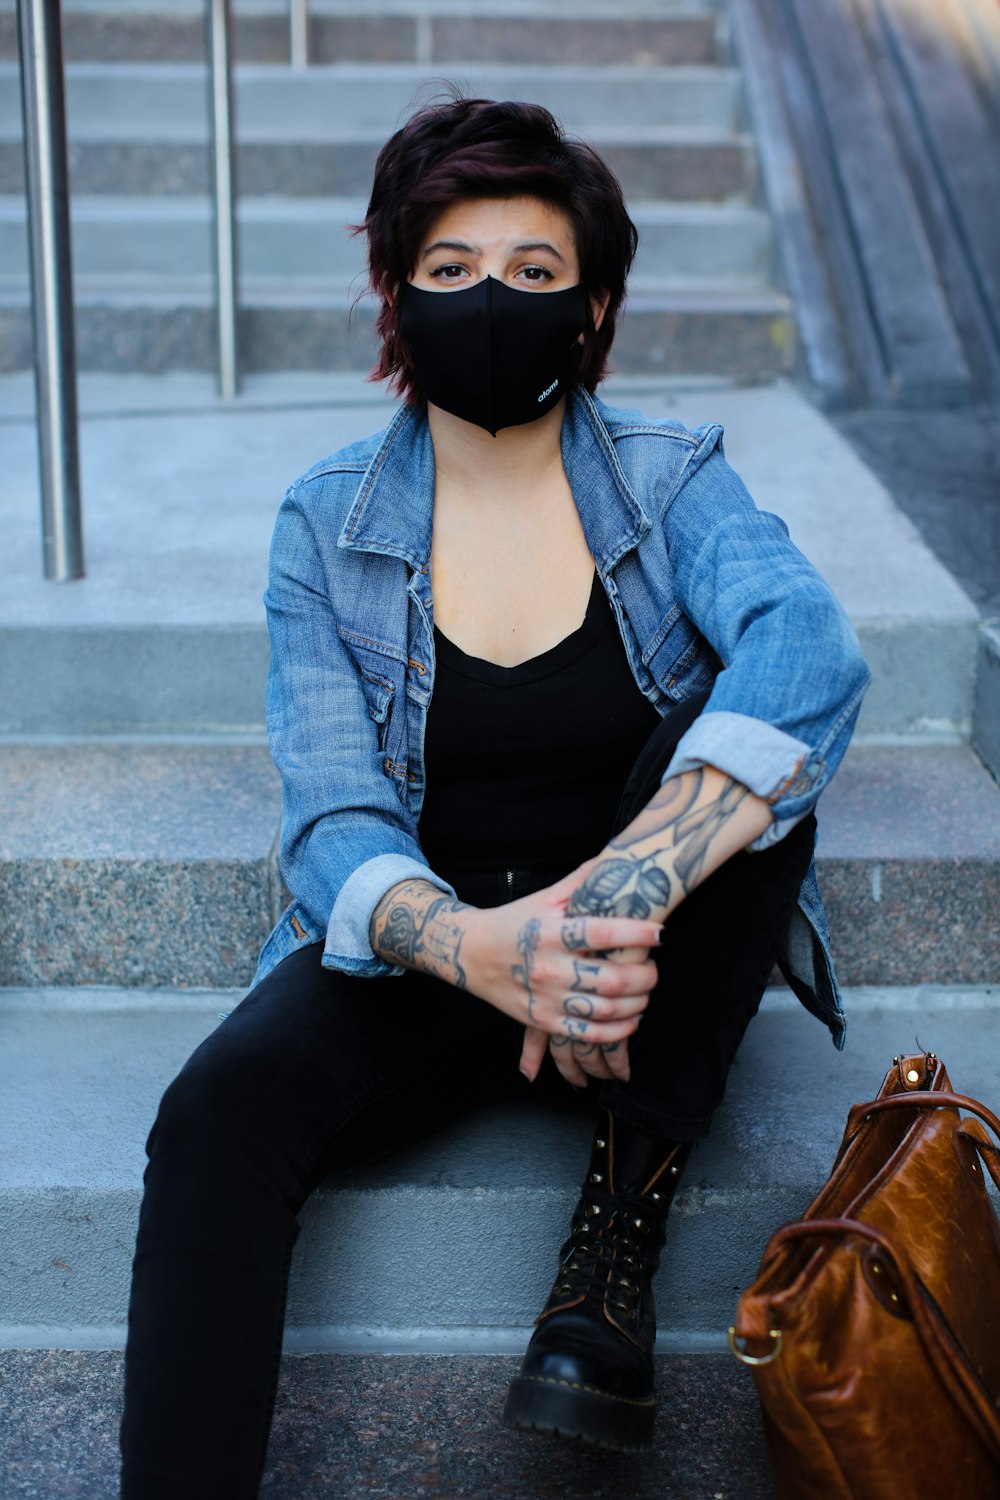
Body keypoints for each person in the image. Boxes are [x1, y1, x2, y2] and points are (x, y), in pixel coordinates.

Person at [119, 97, 870, 1495]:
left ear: (593, 312)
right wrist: (484, 951)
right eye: (451, 269)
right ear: (396, 297)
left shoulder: (671, 476)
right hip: (436, 949)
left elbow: (812, 650)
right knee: (217, 1112)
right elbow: (334, 821)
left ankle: (620, 1224)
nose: (491, 302)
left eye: (535, 273)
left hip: (643, 972)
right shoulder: (325, 524)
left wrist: (611, 907)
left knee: (755, 760)